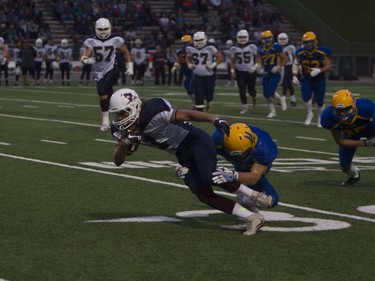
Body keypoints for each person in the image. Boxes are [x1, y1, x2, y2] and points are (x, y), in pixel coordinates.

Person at [109, 88, 273, 236]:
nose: (119, 118)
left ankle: (255, 195)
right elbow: (118, 161)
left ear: (135, 107)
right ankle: (252, 217)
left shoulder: (153, 112)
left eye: (123, 113)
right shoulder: (121, 130)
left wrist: (214, 119)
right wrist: (124, 143)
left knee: (209, 175)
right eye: (116, 114)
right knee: (202, 193)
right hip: (181, 153)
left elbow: (186, 114)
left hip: (195, 140)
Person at [211, 122, 279, 215]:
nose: (241, 156)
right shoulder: (218, 137)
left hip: (251, 163)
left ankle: (244, 200)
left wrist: (234, 175)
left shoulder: (265, 148)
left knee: (271, 200)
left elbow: (254, 177)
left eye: (244, 153)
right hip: (228, 152)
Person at [80, 17, 134, 131]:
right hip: (99, 72)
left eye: (105, 29)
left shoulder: (116, 39)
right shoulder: (91, 41)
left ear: (109, 28)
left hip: (112, 69)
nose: (103, 31)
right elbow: (84, 56)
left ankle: (105, 120)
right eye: (101, 29)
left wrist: (130, 66)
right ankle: (123, 117)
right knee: (110, 97)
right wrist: (86, 60)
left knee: (102, 91)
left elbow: (126, 52)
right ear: (96, 29)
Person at [320, 89, 375, 186]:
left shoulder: (366, 108)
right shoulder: (328, 118)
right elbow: (340, 141)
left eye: (346, 109)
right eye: (339, 110)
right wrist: (365, 143)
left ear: (353, 105)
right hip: (351, 135)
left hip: (370, 128)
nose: (343, 114)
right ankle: (355, 175)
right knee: (345, 165)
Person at [294, 31, 331, 126]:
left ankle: (320, 117)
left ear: (315, 42)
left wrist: (319, 70)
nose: (309, 44)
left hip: (319, 79)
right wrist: (294, 75)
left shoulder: (321, 52)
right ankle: (309, 113)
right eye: (307, 42)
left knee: (320, 100)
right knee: (305, 97)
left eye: (311, 42)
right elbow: (296, 64)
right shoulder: (300, 52)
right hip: (307, 78)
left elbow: (328, 66)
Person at [186, 31, 224, 112]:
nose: (199, 42)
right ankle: (199, 111)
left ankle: (209, 102)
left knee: (209, 94)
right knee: (198, 94)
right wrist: (189, 64)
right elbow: (188, 57)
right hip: (197, 75)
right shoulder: (190, 48)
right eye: (197, 40)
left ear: (205, 39)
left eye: (200, 40)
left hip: (209, 75)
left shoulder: (211, 47)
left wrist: (213, 65)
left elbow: (220, 57)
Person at [256, 30, 288, 118]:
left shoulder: (276, 47)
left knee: (271, 92)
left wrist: (278, 66)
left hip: (275, 73)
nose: (267, 40)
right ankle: (272, 111)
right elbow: (260, 60)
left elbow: (285, 59)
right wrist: (258, 66)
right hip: (266, 72)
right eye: (265, 38)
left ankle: (281, 99)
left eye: (268, 38)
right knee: (266, 94)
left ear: (272, 38)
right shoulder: (260, 49)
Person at [229, 29, 258, 114]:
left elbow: (259, 58)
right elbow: (232, 61)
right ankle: (245, 108)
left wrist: (255, 66)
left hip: (251, 71)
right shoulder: (234, 48)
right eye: (240, 37)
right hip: (240, 71)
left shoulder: (252, 46)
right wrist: (232, 72)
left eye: (243, 37)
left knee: (251, 90)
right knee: (242, 91)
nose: (242, 39)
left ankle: (254, 96)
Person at [171, 35, 194, 104]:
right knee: (187, 87)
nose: (186, 45)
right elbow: (178, 61)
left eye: (187, 43)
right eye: (184, 43)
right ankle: (195, 102)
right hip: (186, 71)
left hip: (194, 72)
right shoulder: (180, 51)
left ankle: (198, 102)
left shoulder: (195, 50)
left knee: (191, 88)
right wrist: (175, 66)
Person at [277, 32, 297, 106]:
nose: (282, 41)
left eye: (284, 39)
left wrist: (295, 66)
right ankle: (293, 100)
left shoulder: (291, 47)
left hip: (289, 66)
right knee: (288, 84)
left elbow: (296, 56)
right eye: (281, 39)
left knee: (285, 83)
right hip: (282, 67)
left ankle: (283, 99)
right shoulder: (278, 47)